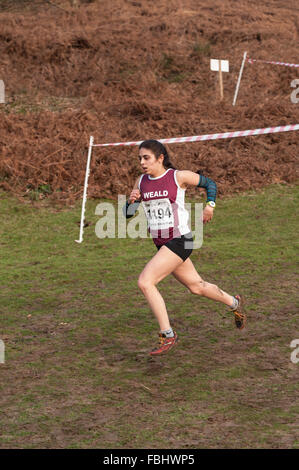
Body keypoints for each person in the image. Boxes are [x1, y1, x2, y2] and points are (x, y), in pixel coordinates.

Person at [124, 139, 246, 356]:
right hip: (162, 244)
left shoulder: (178, 177)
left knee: (145, 282)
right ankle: (234, 303)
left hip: (181, 239)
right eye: (140, 158)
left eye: (146, 158)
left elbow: (211, 184)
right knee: (196, 286)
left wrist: (210, 206)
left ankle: (167, 334)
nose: (142, 162)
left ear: (160, 158)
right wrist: (131, 201)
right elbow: (127, 214)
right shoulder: (141, 181)